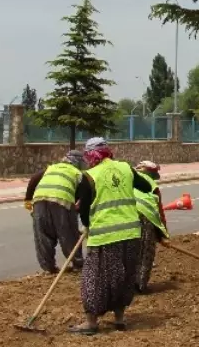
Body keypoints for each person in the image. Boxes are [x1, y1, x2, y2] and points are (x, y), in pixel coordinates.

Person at [67, 137, 154, 336]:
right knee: (124, 277)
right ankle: (120, 319)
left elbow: (84, 210)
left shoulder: (88, 176)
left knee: (94, 278)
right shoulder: (125, 168)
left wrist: (88, 226)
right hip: (131, 233)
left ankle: (91, 322)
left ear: (90, 155)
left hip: (105, 236)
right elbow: (146, 187)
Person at [24, 149, 86, 273]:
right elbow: (83, 196)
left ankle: (48, 268)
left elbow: (34, 179)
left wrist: (28, 200)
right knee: (69, 234)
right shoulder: (78, 174)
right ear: (78, 163)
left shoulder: (51, 168)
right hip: (62, 201)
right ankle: (78, 265)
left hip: (39, 199)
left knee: (43, 235)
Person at [132, 160, 168, 293]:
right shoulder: (153, 186)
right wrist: (164, 235)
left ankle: (126, 286)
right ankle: (140, 285)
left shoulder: (130, 178)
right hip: (145, 218)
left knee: (130, 250)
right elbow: (160, 213)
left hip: (127, 215)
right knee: (146, 251)